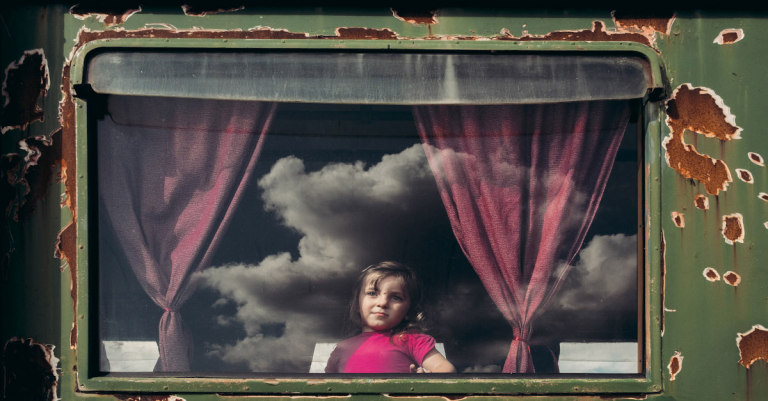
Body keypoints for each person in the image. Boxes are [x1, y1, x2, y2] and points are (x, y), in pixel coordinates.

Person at [325, 261, 456, 373]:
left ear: (409, 311)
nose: (382, 303)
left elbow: (445, 369)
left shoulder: (412, 340)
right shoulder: (342, 348)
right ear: (357, 304)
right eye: (372, 293)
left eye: (396, 297)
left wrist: (424, 383)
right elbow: (325, 387)